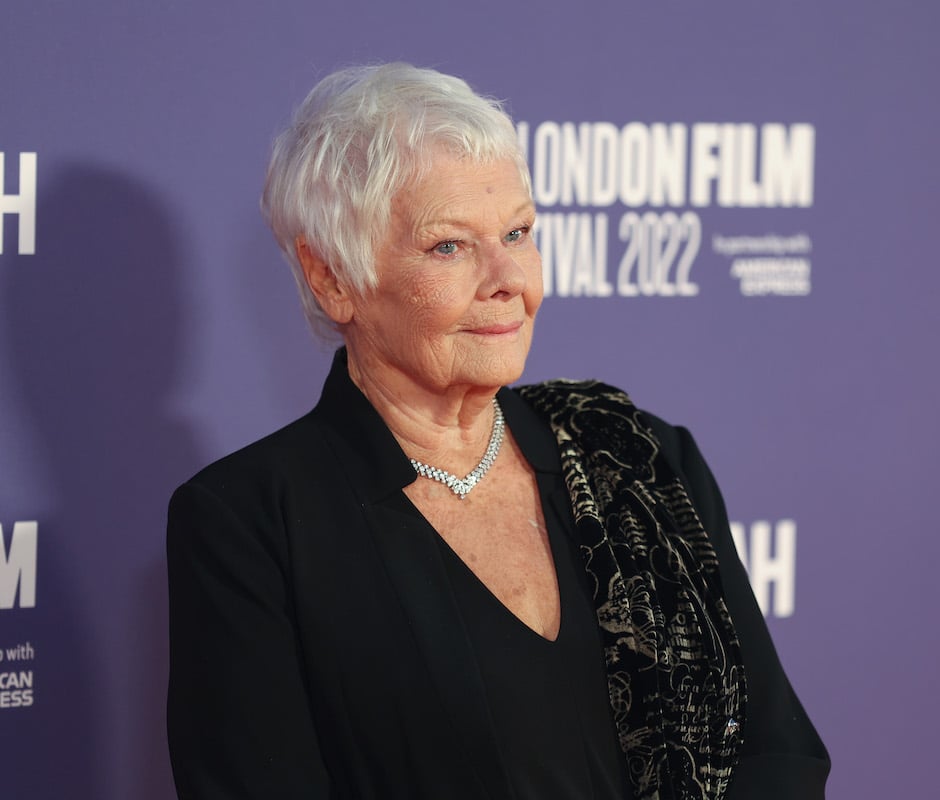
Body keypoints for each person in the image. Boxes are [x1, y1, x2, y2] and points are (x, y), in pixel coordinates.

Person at [166, 62, 829, 800]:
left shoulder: (635, 458)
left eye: (518, 232)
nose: (507, 276)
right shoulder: (253, 522)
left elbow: (776, 748)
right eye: (449, 246)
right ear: (332, 280)